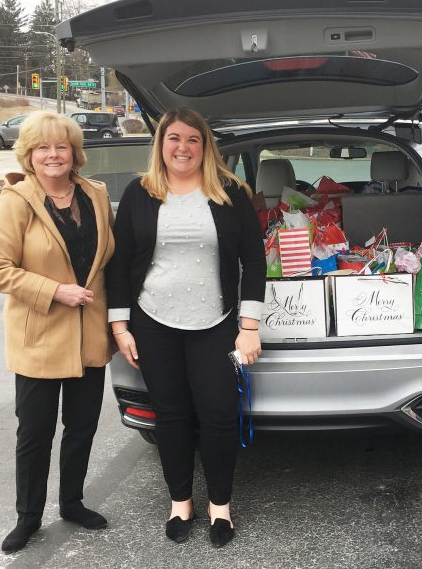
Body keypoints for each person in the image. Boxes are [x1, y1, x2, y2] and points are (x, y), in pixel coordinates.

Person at [105, 107, 265, 548]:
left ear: (205, 146)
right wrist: (120, 326)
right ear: (160, 144)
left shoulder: (230, 192)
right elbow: (119, 265)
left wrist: (248, 326)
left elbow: (253, 260)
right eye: (173, 138)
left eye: (192, 139)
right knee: (171, 417)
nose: (183, 147)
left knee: (218, 415)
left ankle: (220, 507)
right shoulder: (140, 193)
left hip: (215, 322)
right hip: (152, 322)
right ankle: (180, 503)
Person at [0, 111, 116, 553]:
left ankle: (72, 503)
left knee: (82, 427)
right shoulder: (17, 200)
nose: (53, 155)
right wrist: (54, 290)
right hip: (38, 337)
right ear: (30, 155)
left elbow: (110, 262)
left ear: (74, 153)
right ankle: (28, 517)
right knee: (35, 433)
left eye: (60, 146)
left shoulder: (96, 194)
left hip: (89, 336)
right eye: (42, 147)